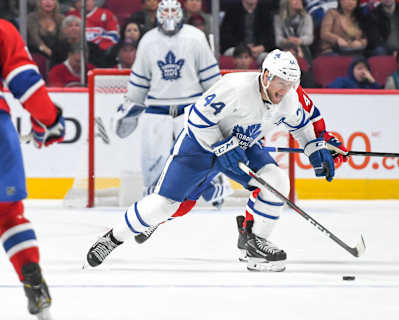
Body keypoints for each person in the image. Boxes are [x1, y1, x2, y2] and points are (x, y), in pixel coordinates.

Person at [85, 49, 347, 272]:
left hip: (242, 147)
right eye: (282, 81)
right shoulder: (235, 88)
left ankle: (253, 246)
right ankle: (112, 238)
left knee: (276, 182)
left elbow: (302, 126)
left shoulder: (289, 98)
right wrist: (219, 146)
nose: (287, 89)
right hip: (199, 145)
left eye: (292, 83)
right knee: (168, 206)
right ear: (266, 76)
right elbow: (197, 120)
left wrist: (315, 148)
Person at [109, 0, 229, 204]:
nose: (170, 15)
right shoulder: (148, 40)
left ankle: (214, 190)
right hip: (157, 110)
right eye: (165, 11)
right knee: (153, 159)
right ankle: (154, 196)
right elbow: (140, 81)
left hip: (191, 109)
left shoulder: (195, 37)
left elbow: (210, 79)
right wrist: (131, 103)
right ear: (158, 14)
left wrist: (220, 105)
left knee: (201, 153)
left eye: (174, 10)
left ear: (181, 13)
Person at [0, 19, 65, 319]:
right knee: (9, 214)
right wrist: (50, 121)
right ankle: (33, 280)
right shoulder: (2, 29)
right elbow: (25, 84)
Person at [220, 0, 275, 64]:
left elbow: (271, 38)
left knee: (268, 58)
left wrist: (262, 47)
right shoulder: (232, 11)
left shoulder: (265, 11)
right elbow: (225, 36)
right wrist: (244, 47)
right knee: (235, 54)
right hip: (237, 48)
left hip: (258, 50)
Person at [274, 0, 314, 64]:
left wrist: (298, 40)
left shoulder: (307, 17)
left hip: (303, 50)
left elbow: (309, 38)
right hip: (284, 50)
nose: (298, 1)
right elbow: (278, 40)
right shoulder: (278, 18)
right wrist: (287, 41)